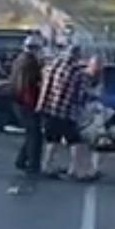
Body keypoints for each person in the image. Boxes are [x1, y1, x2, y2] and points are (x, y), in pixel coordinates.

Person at [37, 45, 91, 180]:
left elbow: (44, 88)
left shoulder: (51, 67)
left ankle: (46, 166)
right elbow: (80, 96)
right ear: (77, 56)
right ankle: (76, 170)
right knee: (75, 141)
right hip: (67, 112)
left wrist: (41, 106)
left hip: (50, 109)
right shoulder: (78, 73)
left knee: (52, 139)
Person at [9, 35, 44, 176]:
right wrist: (35, 106)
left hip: (18, 101)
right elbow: (29, 86)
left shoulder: (19, 60)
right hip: (26, 102)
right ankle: (33, 165)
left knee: (31, 134)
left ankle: (21, 160)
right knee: (35, 135)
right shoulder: (30, 63)